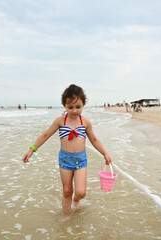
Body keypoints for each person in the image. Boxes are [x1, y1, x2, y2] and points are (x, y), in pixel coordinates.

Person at [22, 84, 112, 213]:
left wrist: (105, 153)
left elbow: (94, 140)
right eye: (70, 107)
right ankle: (66, 217)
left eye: (78, 107)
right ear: (64, 105)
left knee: (81, 192)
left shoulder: (85, 122)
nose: (74, 111)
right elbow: (45, 135)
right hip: (65, 160)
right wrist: (31, 149)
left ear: (83, 104)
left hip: (81, 160)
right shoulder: (60, 121)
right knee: (67, 190)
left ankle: (76, 200)